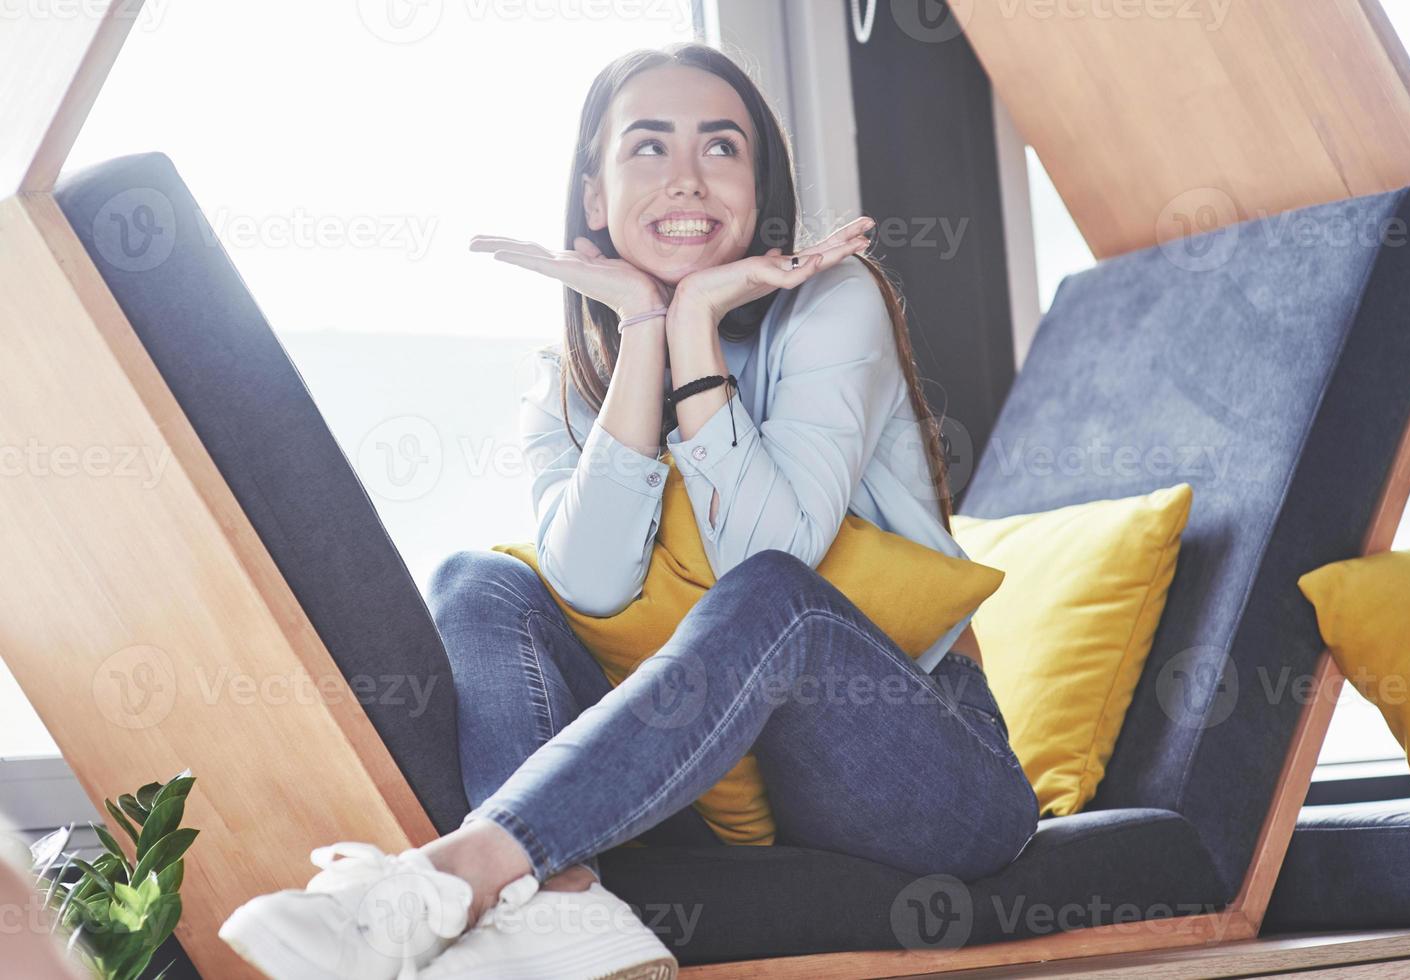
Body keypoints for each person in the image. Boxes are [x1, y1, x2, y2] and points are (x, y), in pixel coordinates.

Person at [218, 41, 1037, 980]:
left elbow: (765, 564)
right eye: (649, 148)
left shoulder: (831, 304)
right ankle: (561, 908)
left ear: (759, 191)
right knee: (477, 581)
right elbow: (593, 585)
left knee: (777, 590)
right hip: (699, 789)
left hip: (921, 768)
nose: (687, 177)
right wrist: (646, 329)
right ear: (596, 197)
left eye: (721, 149)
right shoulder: (564, 386)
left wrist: (694, 328)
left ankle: (461, 872)